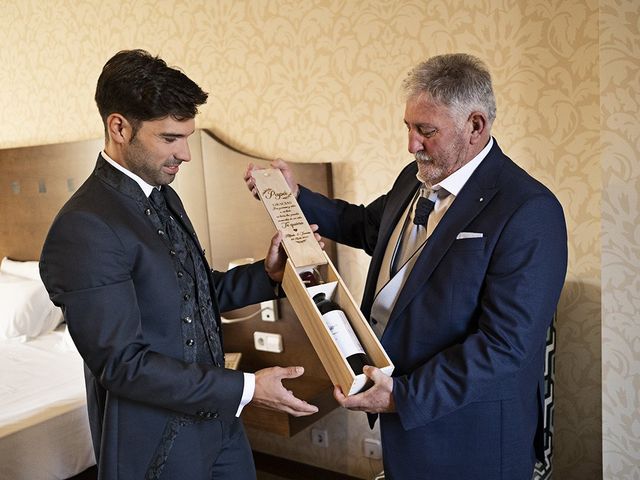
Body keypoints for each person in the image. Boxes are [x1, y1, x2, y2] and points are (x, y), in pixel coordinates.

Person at [246, 53, 567, 479]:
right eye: (409, 128)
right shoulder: (413, 177)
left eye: (426, 131)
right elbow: (366, 225)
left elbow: (505, 346)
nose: (411, 145)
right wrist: (296, 194)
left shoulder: (529, 210)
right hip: (403, 421)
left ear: (476, 126)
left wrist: (402, 397)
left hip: (468, 437)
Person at [40, 49, 319, 480]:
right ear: (119, 127)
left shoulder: (163, 195)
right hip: (155, 443)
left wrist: (268, 274)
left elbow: (192, 294)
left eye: (188, 137)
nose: (185, 154)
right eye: (170, 138)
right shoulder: (84, 227)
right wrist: (247, 388)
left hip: (217, 423)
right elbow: (122, 365)